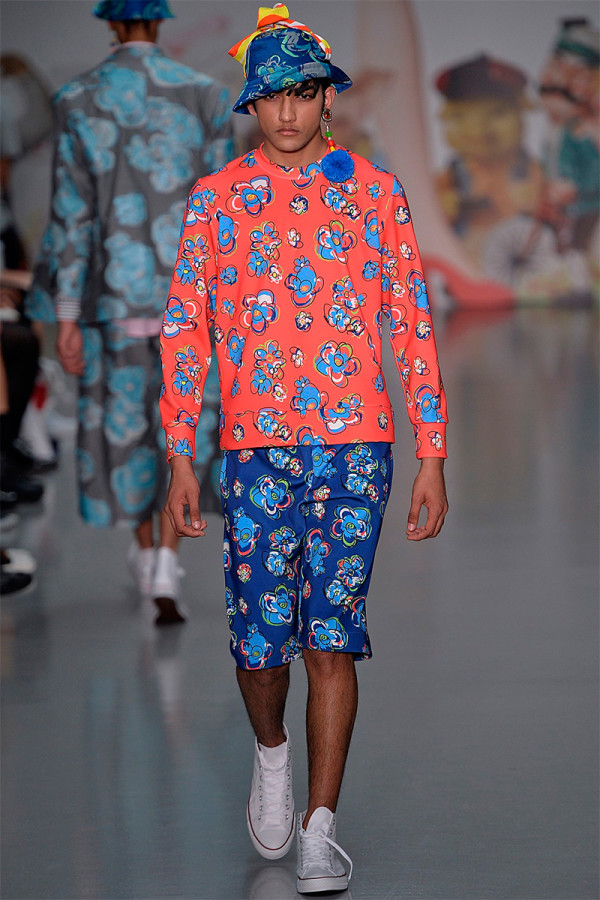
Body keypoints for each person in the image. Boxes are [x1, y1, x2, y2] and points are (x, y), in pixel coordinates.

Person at [160, 3, 448, 892]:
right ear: (251, 104)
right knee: (259, 648)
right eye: (272, 95)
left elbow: (411, 323)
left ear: (328, 99)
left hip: (357, 445)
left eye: (303, 92)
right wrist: (179, 454)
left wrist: (432, 453)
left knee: (331, 636)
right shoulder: (215, 201)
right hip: (253, 448)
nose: (287, 111)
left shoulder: (377, 194)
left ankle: (321, 828)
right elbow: (185, 330)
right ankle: (272, 752)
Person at [26, 0, 233, 624]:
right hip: (190, 303)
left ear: (112, 25)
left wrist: (65, 317)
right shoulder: (205, 95)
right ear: (159, 21)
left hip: (111, 302)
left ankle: (146, 557)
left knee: (127, 435)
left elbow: (70, 217)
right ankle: (168, 558)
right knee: (182, 431)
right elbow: (226, 212)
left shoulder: (77, 99)